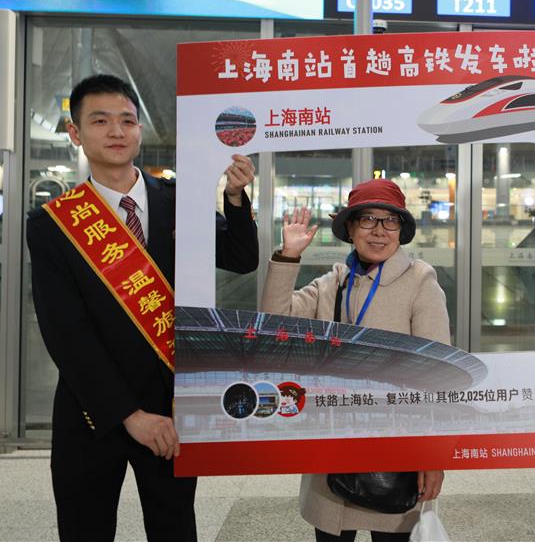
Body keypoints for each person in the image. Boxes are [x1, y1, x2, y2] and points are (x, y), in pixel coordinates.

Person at [26, 74, 259, 541]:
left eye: (127, 120)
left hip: (170, 402)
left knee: (174, 527)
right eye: (100, 120)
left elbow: (241, 259)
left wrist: (234, 198)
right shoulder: (54, 224)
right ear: (76, 133)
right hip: (93, 407)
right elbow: (65, 332)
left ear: (139, 130)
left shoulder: (179, 202)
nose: (116, 131)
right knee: (85, 528)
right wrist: (129, 415)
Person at [260, 178, 447, 542]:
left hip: (395, 450)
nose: (379, 231)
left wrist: (432, 455)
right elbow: (274, 323)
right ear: (350, 228)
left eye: (389, 221)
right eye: (367, 220)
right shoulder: (333, 282)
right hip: (334, 445)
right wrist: (289, 256)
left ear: (401, 230)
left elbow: (436, 374)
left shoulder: (420, 281)